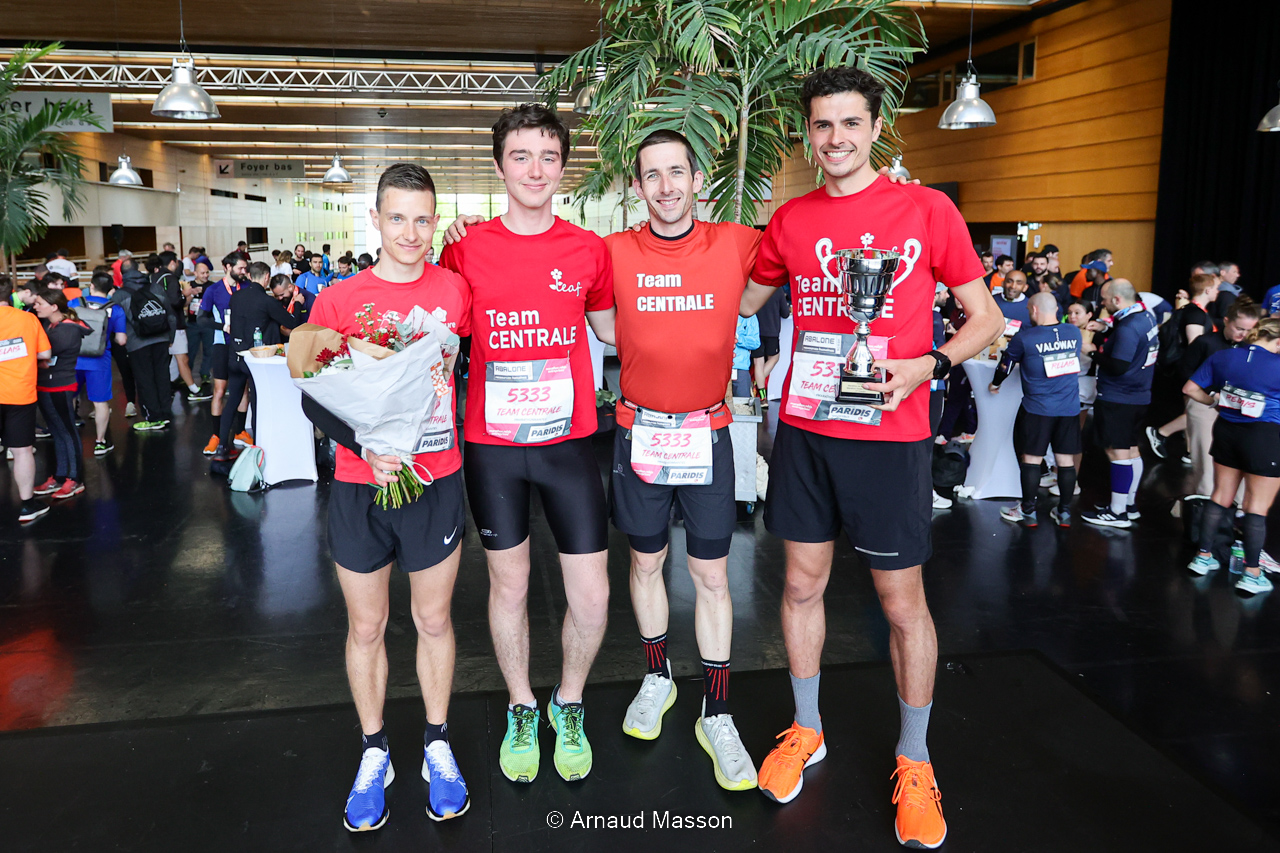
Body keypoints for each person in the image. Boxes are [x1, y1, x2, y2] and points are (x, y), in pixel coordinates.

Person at [736, 66, 1003, 848]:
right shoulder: (791, 220)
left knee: (900, 602)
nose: (836, 138)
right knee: (799, 583)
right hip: (807, 431)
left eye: (850, 122)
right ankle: (807, 726)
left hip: (890, 437)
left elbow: (986, 318)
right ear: (808, 133)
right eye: (822, 125)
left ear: (876, 127)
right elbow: (742, 298)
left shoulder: (927, 209)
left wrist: (931, 364)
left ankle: (915, 758)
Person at [439, 103, 616, 786]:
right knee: (508, 586)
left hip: (569, 447)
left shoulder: (588, 250)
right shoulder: (465, 248)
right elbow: (435, 330)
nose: (535, 170)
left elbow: (615, 332)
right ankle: (521, 704)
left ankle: (567, 702)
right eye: (521, 156)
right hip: (493, 449)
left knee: (592, 597)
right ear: (499, 166)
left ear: (563, 166)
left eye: (548, 156)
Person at [306, 163, 473, 831]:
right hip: (361, 485)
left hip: (436, 479)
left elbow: (462, 368)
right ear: (374, 219)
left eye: (423, 219)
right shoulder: (338, 300)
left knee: (433, 621)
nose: (410, 232)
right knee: (367, 626)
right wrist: (366, 445)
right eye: (397, 217)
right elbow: (313, 395)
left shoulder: (455, 290)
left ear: (436, 222)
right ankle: (375, 750)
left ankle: (437, 742)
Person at [1183, 317, 1280, 594]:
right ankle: (1251, 573)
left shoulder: (1224, 356)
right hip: (1264, 437)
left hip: (1226, 432)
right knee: (1255, 505)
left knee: (1220, 496)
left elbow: (1189, 389)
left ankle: (1203, 557)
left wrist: (1213, 401)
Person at [991, 292, 1083, 527]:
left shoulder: (1025, 337)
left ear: (1034, 310)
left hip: (1038, 408)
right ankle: (1064, 512)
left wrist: (995, 383)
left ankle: (1028, 511)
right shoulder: (1074, 332)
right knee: (1065, 460)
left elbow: (1006, 365)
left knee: (1032, 458)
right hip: (1069, 408)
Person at [1081, 279, 1158, 528]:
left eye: (1104, 300)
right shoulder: (1145, 316)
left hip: (1119, 397)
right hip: (1139, 395)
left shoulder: (1128, 328)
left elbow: (1118, 365)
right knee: (1131, 450)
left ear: (1117, 299)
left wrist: (1092, 352)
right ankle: (1129, 505)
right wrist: (1106, 327)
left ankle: (1117, 512)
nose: (1102, 304)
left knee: (1117, 452)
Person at [210, 262, 301, 464]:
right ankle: (259, 447)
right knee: (258, 401)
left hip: (235, 355)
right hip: (256, 359)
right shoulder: (267, 301)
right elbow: (292, 322)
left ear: (250, 276)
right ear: (267, 277)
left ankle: (222, 446)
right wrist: (298, 303)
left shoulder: (236, 297)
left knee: (232, 400)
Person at [1178, 298, 1262, 499]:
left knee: (1239, 458)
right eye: (1239, 328)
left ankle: (1236, 505)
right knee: (1205, 457)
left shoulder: (1251, 347)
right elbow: (1185, 372)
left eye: (1249, 330)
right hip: (1205, 401)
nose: (1243, 334)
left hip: (1238, 407)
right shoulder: (1205, 342)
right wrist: (1211, 394)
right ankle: (1205, 501)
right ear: (1226, 321)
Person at [1147, 272, 1219, 459]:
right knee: (1196, 410)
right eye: (1216, 288)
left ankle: (1189, 451)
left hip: (1190, 368)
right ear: (1207, 290)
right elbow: (1196, 345)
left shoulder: (1192, 311)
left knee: (1191, 409)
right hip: (1193, 370)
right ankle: (1161, 433)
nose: (1218, 292)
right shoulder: (1195, 314)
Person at [0, 276, 52, 523]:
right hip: (19, 394)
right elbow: (45, 352)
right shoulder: (27, 319)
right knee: (22, 452)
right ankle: (27, 506)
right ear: (9, 293)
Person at [31, 289, 89, 500]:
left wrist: (39, 359)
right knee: (57, 431)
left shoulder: (67, 329)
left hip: (60, 386)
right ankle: (60, 475)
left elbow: (43, 355)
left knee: (67, 432)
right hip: (46, 384)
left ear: (54, 306)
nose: (35, 307)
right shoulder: (52, 326)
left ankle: (74, 478)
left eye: (40, 303)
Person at [70, 272, 127, 456]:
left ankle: (69, 438)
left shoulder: (75, 303)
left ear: (91, 286)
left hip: (74, 358)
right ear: (110, 290)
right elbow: (121, 340)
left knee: (70, 396)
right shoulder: (115, 309)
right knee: (100, 402)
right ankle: (100, 441)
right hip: (99, 360)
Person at [119, 257, 175, 430]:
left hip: (137, 343)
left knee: (145, 380)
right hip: (161, 338)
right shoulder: (155, 287)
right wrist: (170, 338)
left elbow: (117, 322)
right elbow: (170, 315)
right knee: (162, 376)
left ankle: (153, 417)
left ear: (122, 274)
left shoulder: (120, 294)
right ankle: (165, 413)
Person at [199, 254, 245, 456]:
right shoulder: (213, 290)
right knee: (219, 391)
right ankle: (216, 436)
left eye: (245, 268)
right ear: (228, 267)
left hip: (242, 345)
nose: (244, 271)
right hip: (222, 345)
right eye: (240, 268)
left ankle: (240, 432)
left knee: (243, 391)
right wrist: (222, 326)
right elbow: (201, 319)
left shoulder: (246, 286)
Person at [751, 287, 789, 406]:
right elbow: (785, 314)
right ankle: (757, 383)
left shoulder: (754, 288)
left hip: (755, 332)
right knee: (774, 358)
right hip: (772, 332)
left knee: (758, 363)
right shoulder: (777, 290)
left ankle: (763, 398)